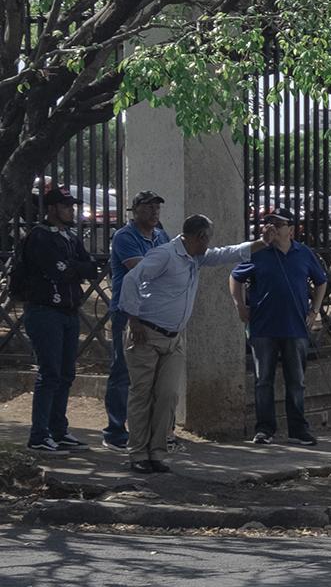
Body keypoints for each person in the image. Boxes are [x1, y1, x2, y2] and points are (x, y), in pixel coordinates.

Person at [119, 215, 266, 474]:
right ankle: (138, 453)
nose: (209, 244)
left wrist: (261, 243)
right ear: (199, 237)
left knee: (167, 395)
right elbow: (132, 280)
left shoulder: (196, 257)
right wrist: (134, 321)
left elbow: (226, 254)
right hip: (147, 334)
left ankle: (157, 451)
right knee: (142, 394)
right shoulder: (165, 255)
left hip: (174, 337)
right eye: (207, 238)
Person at [229, 207, 328, 447]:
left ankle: (298, 428)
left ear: (291, 231)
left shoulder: (303, 253)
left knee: (296, 380)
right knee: (264, 379)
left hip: (295, 326)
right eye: (268, 223)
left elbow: (321, 281)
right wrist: (240, 306)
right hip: (263, 326)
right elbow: (235, 277)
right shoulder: (258, 252)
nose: (272, 228)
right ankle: (264, 428)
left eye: (278, 224)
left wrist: (314, 311)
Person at [14, 181, 100, 453]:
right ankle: (39, 435)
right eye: (65, 206)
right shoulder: (40, 236)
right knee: (49, 373)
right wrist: (77, 268)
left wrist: (76, 267)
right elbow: (58, 271)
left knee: (66, 373)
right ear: (51, 208)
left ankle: (58, 430)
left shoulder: (71, 237)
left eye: (72, 206)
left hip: (68, 311)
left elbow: (91, 268)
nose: (71, 210)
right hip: (44, 312)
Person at [102, 190, 170, 451]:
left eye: (157, 207)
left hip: (154, 312)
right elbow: (143, 271)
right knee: (122, 371)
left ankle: (148, 430)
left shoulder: (160, 235)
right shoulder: (124, 237)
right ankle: (115, 431)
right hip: (127, 312)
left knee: (151, 375)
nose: (154, 212)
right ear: (135, 210)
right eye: (149, 207)